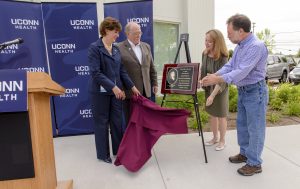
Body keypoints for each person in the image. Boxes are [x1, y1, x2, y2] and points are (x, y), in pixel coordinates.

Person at [201, 14, 268, 176]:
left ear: (241, 31)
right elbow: (230, 66)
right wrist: (213, 75)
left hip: (255, 91)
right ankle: (244, 153)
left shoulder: (256, 46)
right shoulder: (239, 47)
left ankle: (254, 163)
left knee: (255, 128)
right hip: (244, 91)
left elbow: (241, 72)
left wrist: (216, 79)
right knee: (243, 125)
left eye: (230, 33)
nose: (228, 36)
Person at [88, 17, 140, 164]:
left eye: (118, 32)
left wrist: (132, 86)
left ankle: (119, 151)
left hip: (116, 93)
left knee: (117, 122)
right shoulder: (94, 48)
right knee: (102, 124)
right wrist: (114, 87)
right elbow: (96, 73)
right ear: (106, 31)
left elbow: (122, 71)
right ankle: (103, 154)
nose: (118, 35)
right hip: (100, 94)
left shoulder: (116, 49)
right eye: (115, 32)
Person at [117, 22, 158, 125]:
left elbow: (152, 67)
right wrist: (120, 88)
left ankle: (143, 140)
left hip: (146, 91)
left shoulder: (146, 46)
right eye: (135, 33)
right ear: (127, 34)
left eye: (139, 32)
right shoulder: (119, 47)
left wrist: (155, 83)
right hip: (130, 92)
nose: (138, 35)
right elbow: (118, 71)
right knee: (131, 122)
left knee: (146, 120)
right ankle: (132, 140)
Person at [200, 29, 229, 151]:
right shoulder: (205, 54)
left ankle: (222, 141)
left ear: (217, 43)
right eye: (206, 40)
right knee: (212, 114)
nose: (207, 43)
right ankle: (215, 137)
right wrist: (201, 82)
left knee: (221, 115)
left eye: (210, 42)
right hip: (209, 87)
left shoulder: (223, 57)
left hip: (220, 88)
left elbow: (222, 79)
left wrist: (212, 96)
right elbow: (203, 71)